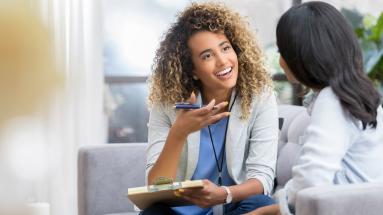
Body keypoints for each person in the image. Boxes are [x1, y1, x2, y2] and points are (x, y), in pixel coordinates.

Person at [247, 1, 383, 215]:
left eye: (283, 51)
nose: (280, 61)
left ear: (303, 56)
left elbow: (311, 179)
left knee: (254, 205)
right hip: (353, 206)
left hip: (341, 209)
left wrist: (269, 210)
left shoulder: (333, 99)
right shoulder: (357, 94)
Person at [143, 2, 279, 215]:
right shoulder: (167, 105)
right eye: (207, 56)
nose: (223, 61)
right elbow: (156, 188)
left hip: (234, 206)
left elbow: (262, 178)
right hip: (183, 212)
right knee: (154, 211)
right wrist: (179, 133)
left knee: (261, 203)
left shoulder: (260, 98)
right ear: (193, 70)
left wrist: (224, 193)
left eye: (225, 48)